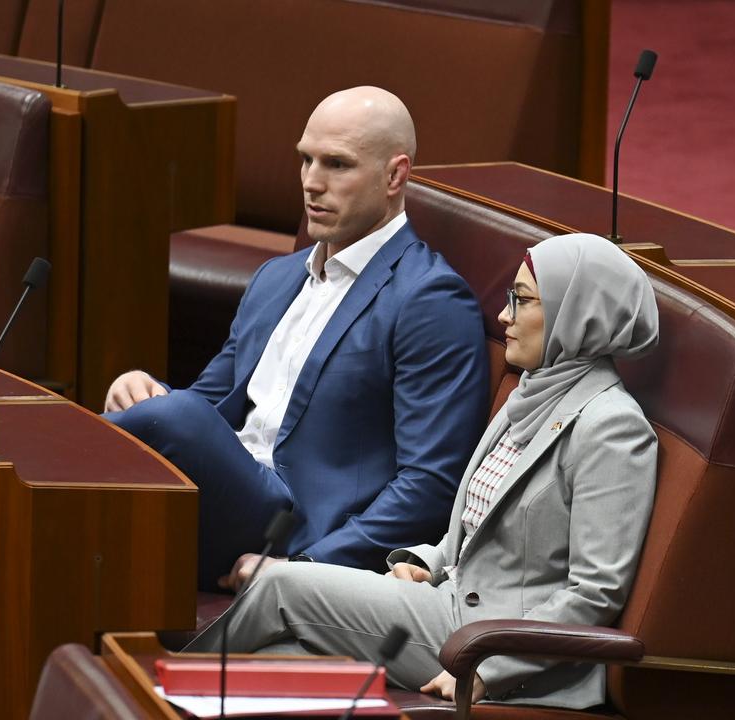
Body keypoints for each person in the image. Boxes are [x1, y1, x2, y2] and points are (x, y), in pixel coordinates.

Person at [187, 233, 660, 710]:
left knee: (278, 586)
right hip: (446, 607)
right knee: (278, 656)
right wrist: (424, 564)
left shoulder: (611, 426)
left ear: (577, 312)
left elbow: (596, 591)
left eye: (523, 300)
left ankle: (153, 691)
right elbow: (473, 534)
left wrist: (489, 670)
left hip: (487, 642)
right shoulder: (530, 394)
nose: (503, 315)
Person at [102, 87, 490, 590]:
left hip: (295, 530)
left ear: (394, 175)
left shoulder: (429, 299)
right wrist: (142, 388)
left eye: (337, 165)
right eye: (305, 160)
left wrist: (304, 569)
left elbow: (430, 484)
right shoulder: (276, 278)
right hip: (218, 498)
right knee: (129, 434)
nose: (311, 182)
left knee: (158, 426)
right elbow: (207, 404)